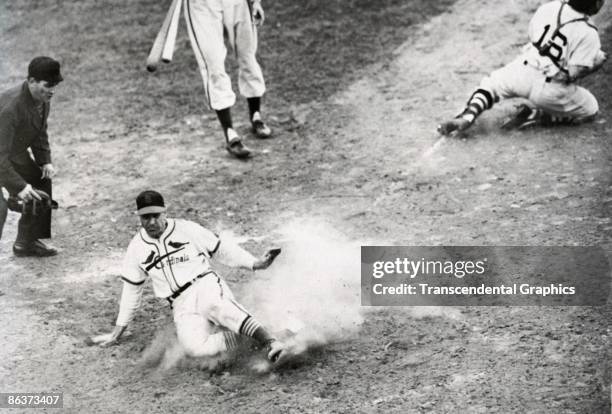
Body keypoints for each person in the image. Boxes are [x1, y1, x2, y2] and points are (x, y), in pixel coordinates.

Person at [89, 190, 287, 363]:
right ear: (139, 217)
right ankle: (256, 334)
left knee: (216, 305)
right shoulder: (136, 248)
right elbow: (132, 290)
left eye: (156, 216)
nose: (151, 222)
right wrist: (117, 331)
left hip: (204, 284)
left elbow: (222, 249)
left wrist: (255, 263)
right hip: (180, 303)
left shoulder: (187, 229)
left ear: (165, 212)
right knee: (196, 348)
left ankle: (272, 342)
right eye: (145, 217)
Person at [437, 0, 607, 136]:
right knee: (591, 110)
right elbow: (574, 72)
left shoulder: (550, 7)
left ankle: (468, 115)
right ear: (595, 4)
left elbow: (533, 35)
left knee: (491, 85)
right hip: (549, 91)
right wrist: (596, 62)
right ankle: (544, 116)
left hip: (522, 70)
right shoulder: (589, 33)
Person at [184, 0, 272, 159]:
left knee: (247, 56)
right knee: (214, 66)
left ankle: (255, 115)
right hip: (203, 6)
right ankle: (230, 133)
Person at [0, 56, 63, 256]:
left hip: (11, 154)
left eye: (55, 85)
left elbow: (38, 131)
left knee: (41, 183)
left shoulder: (42, 99)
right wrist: (19, 186)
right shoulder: (10, 108)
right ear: (32, 81)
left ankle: (26, 242)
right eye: (48, 85)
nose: (52, 90)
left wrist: (45, 160)